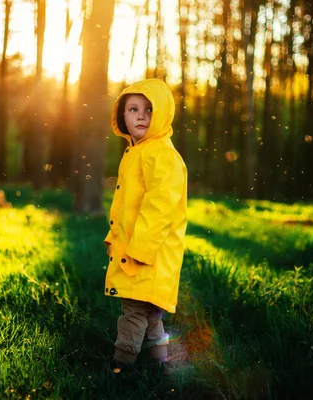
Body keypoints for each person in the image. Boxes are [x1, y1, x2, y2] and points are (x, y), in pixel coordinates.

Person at [103, 78, 188, 372]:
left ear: (162, 114)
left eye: (150, 110)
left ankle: (120, 366)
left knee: (133, 313)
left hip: (148, 253)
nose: (141, 115)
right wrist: (114, 239)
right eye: (133, 109)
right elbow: (126, 208)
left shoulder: (161, 154)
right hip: (139, 249)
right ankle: (160, 364)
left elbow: (159, 207)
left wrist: (138, 249)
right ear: (122, 117)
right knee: (151, 314)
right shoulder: (137, 152)